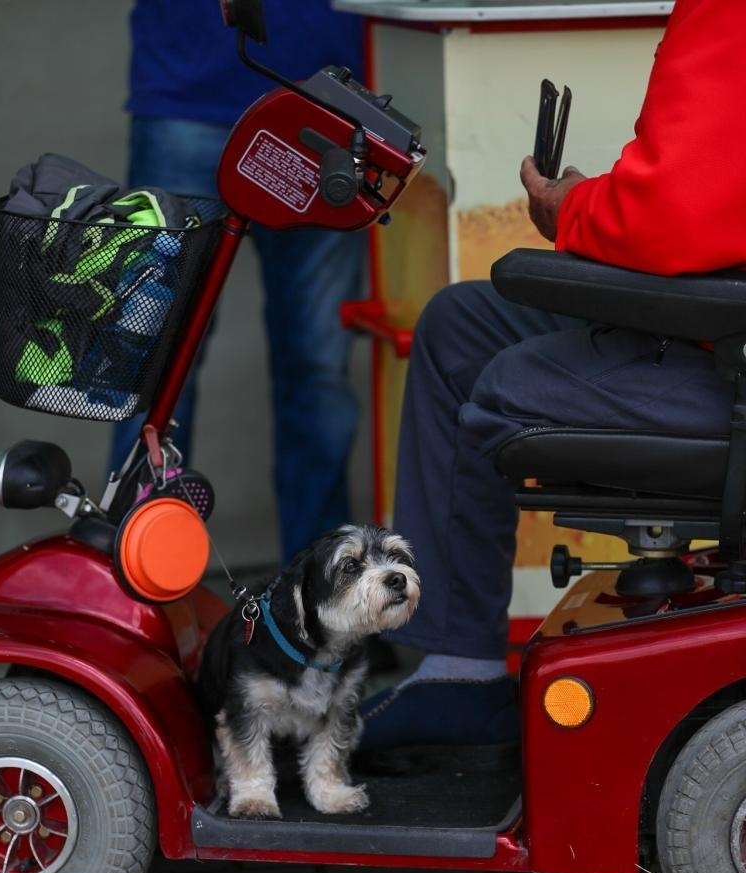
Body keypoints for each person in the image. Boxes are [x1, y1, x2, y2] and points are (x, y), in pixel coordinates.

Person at [360, 0, 746, 752]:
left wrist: (570, 210)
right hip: (722, 327)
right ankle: (459, 673)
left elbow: (670, 216)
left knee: (502, 378)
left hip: (727, 362)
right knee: (462, 327)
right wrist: (592, 207)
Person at [109, 0, 366, 563]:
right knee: (155, 362)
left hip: (326, 106)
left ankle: (321, 607)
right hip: (188, 95)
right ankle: (136, 586)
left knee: (317, 369)